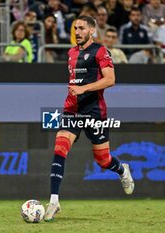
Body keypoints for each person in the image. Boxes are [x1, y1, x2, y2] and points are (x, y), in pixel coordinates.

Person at [44, 15, 134, 222]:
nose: (77, 31)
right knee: (60, 148)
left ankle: (122, 169)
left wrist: (83, 88)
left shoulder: (101, 51)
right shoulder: (71, 52)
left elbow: (110, 79)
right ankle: (54, 201)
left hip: (94, 112)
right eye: (75, 28)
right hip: (72, 110)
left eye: (82, 28)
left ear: (92, 31)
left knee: (103, 160)